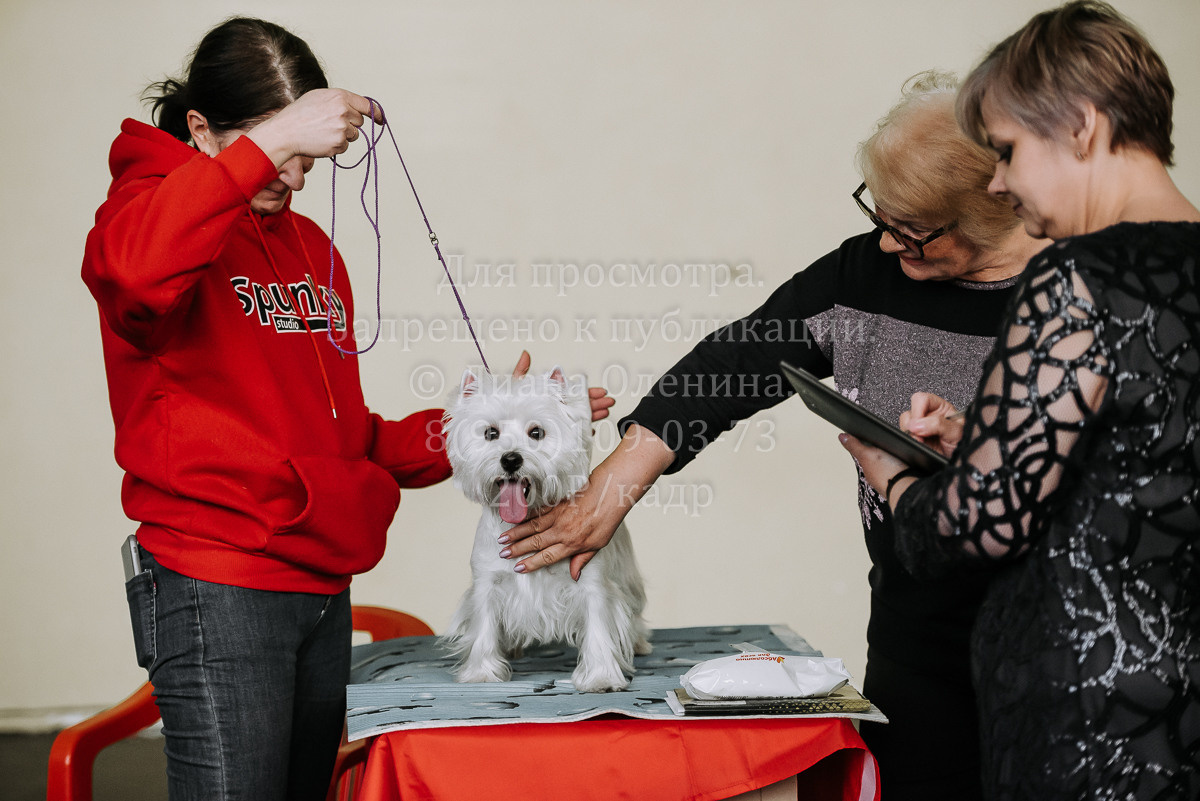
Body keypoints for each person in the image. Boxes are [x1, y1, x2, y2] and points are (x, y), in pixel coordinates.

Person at [82, 18, 611, 800]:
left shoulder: (308, 248)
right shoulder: (145, 214)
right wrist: (280, 136)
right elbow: (128, 275)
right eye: (280, 151)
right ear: (200, 129)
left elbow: (345, 435)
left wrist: (488, 430)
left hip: (321, 584)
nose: (294, 177)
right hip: (218, 581)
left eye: (306, 159)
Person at [499, 71, 1046, 801]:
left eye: (911, 228)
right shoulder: (863, 275)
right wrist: (614, 485)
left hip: (1051, 644)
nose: (886, 243)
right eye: (879, 215)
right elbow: (733, 362)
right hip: (916, 641)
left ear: (993, 205)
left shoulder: (1075, 291)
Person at [841, 3, 1200, 799]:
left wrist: (892, 475)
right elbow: (1142, 456)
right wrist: (983, 432)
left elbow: (979, 525)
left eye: (1006, 150)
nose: (998, 180)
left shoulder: (1075, 279)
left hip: (1083, 721)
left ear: (1079, 126)